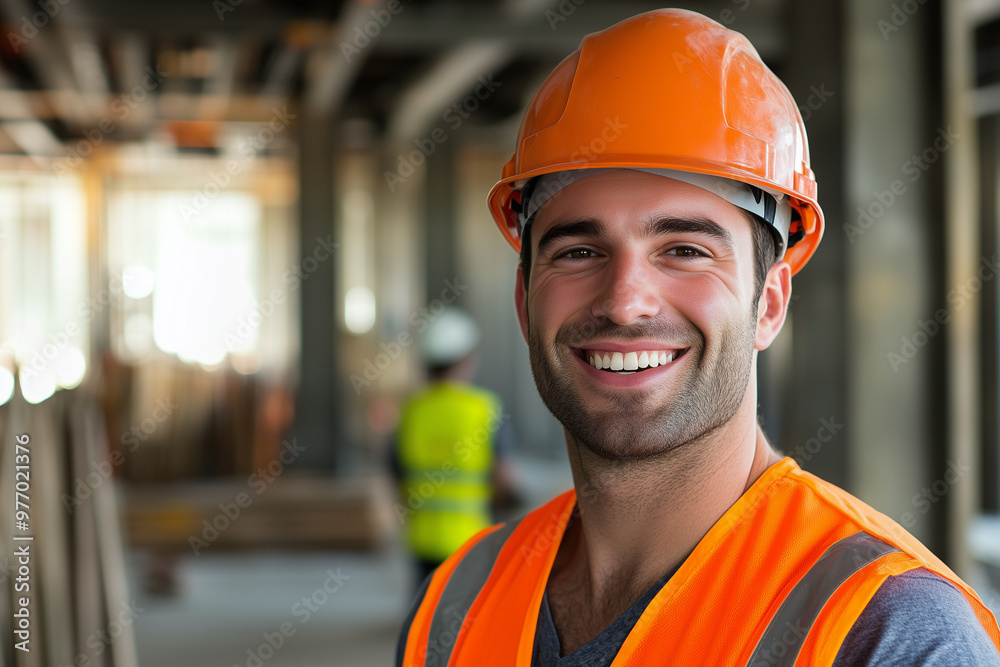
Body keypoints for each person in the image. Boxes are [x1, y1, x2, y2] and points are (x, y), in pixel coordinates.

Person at [396, 8, 1000, 666]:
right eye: (577, 252)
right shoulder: (455, 606)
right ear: (524, 302)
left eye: (684, 248)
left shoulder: (886, 630)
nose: (625, 302)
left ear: (767, 304)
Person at [390, 307, 515, 588]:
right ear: (465, 358)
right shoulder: (485, 410)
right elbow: (505, 479)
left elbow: (396, 474)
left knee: (426, 617)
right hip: (471, 537)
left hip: (421, 538)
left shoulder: (411, 412)